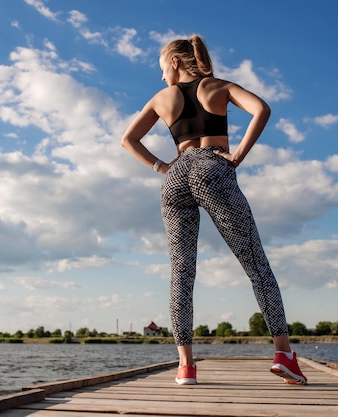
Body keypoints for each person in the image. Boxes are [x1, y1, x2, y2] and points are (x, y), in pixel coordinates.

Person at [121, 34, 307, 386]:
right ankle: (284, 354)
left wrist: (163, 167)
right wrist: (237, 155)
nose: (161, 77)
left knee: (181, 273)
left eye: (162, 68)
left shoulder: (162, 98)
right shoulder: (219, 86)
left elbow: (128, 139)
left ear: (175, 61)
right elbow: (262, 109)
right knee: (255, 264)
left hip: (176, 176)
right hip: (213, 168)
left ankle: (185, 367)